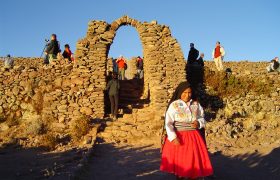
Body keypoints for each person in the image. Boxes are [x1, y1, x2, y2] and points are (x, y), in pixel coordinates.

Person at [160, 81, 213, 179]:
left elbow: (202, 118)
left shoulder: (196, 104)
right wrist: (173, 137)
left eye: (189, 93)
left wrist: (199, 123)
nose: (187, 95)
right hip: (179, 136)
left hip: (194, 137)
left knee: (192, 161)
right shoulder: (174, 105)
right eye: (184, 93)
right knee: (181, 163)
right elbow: (168, 123)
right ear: (180, 92)